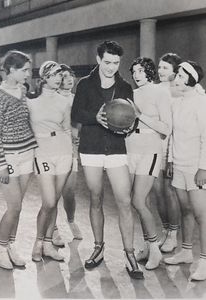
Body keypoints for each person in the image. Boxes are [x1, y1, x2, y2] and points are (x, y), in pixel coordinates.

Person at [71, 40, 143, 279]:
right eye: (108, 62)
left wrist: (128, 126)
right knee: (95, 198)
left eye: (116, 62)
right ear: (99, 59)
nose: (112, 67)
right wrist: (96, 117)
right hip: (91, 148)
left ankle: (130, 254)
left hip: (115, 149)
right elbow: (76, 114)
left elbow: (131, 119)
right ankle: (98, 248)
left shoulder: (124, 87)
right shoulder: (84, 84)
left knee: (124, 200)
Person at [0, 50, 37, 269]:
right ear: (11, 71)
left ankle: (11, 246)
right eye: (24, 70)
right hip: (8, 157)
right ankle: (0, 250)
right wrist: (0, 164)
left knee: (19, 207)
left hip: (27, 154)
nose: (28, 74)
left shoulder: (24, 91)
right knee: (13, 207)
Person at [127, 57, 172, 270]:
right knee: (141, 202)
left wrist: (140, 115)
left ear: (149, 72)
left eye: (141, 71)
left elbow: (166, 128)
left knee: (138, 200)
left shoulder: (160, 92)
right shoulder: (132, 94)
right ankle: (147, 244)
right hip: (130, 149)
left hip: (150, 150)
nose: (137, 75)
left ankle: (155, 249)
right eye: (134, 71)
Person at [164, 61, 206, 281]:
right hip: (179, 165)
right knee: (185, 209)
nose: (176, 78)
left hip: (196, 167)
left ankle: (205, 260)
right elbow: (173, 135)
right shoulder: (177, 103)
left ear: (191, 79)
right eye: (176, 75)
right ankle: (187, 251)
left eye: (180, 75)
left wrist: (203, 168)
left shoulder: (202, 103)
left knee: (202, 215)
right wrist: (171, 160)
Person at [28, 61, 73, 262]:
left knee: (54, 200)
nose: (58, 78)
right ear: (44, 77)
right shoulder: (31, 102)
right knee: (48, 201)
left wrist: (73, 154)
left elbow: (66, 128)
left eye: (60, 75)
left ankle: (47, 244)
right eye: (54, 74)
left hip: (63, 152)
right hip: (42, 153)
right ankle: (38, 242)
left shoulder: (65, 102)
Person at [153, 53, 182, 253]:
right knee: (157, 192)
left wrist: (171, 157)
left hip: (171, 149)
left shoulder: (178, 92)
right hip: (153, 147)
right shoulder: (154, 90)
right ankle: (165, 230)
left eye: (165, 68)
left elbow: (176, 127)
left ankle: (173, 233)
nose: (160, 71)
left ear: (175, 72)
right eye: (160, 67)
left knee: (169, 191)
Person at [52, 64, 83, 247]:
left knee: (69, 192)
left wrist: (78, 138)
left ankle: (70, 220)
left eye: (71, 75)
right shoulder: (52, 99)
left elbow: (80, 124)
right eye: (64, 76)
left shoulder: (77, 99)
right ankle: (53, 229)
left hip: (72, 150)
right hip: (54, 150)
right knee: (53, 194)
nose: (69, 79)